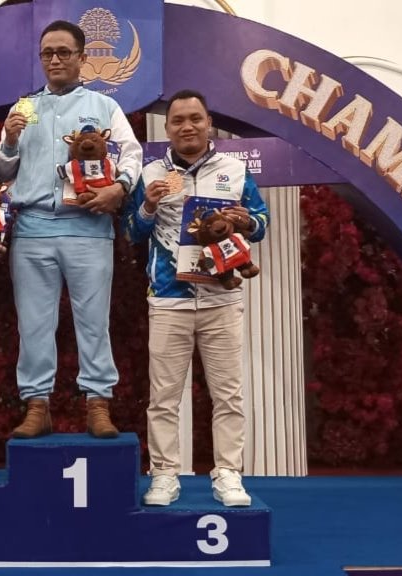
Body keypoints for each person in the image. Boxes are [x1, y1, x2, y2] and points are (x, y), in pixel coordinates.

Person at [0, 20, 142, 438]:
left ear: (82, 57)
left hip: (88, 227)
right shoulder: (23, 109)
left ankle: (98, 403)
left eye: (63, 52)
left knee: (93, 321)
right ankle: (37, 405)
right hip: (33, 228)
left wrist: (119, 187)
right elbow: (3, 169)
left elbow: (131, 154)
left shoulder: (103, 106)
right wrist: (8, 142)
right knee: (34, 324)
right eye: (48, 53)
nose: (55, 60)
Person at [123, 90, 270, 507]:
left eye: (195, 118)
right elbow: (132, 231)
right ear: (167, 128)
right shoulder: (151, 173)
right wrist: (148, 206)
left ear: (209, 123)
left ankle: (228, 474)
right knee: (163, 398)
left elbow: (261, 222)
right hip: (168, 299)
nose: (187, 126)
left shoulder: (235, 170)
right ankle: (164, 474)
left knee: (228, 395)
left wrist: (247, 220)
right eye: (178, 120)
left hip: (221, 300)